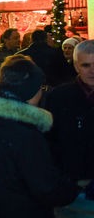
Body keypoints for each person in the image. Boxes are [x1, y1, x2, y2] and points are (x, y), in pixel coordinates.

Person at [0, 55, 80, 218]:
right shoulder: (25, 133)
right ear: (29, 90)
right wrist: (73, 187)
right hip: (24, 210)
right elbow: (45, 187)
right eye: (40, 88)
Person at [44, 39, 94, 182]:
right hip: (71, 178)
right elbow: (50, 140)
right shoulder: (59, 97)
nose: (92, 71)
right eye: (86, 65)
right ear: (76, 66)